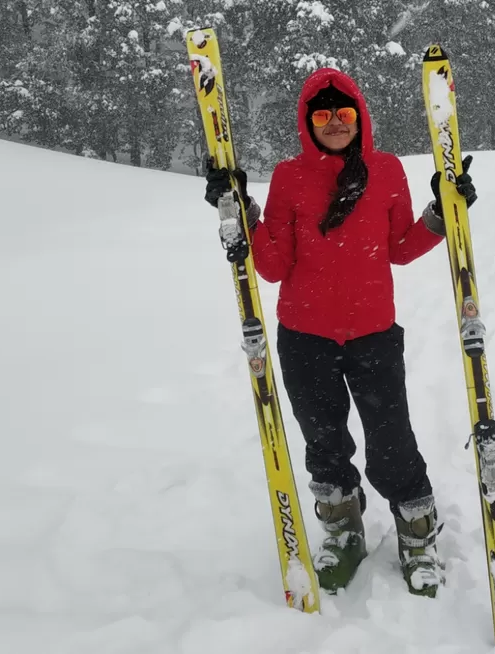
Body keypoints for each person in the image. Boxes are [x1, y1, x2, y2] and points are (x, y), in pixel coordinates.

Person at [203, 66, 476, 597]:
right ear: (308, 121)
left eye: (344, 112)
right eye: (322, 114)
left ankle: (418, 536)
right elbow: (275, 266)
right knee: (324, 444)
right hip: (305, 338)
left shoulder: (387, 170)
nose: (334, 123)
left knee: (392, 443)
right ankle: (343, 533)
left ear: (360, 117)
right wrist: (242, 213)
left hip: (373, 334)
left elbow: (399, 248)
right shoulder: (289, 176)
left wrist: (443, 213)